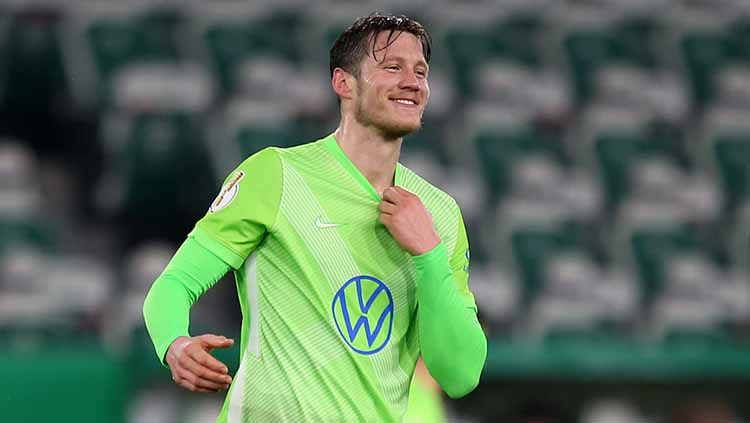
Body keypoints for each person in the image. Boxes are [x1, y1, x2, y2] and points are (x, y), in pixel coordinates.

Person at [143, 13, 487, 422]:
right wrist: (175, 344)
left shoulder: (440, 214)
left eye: (420, 72)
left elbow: (461, 374)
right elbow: (175, 283)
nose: (412, 81)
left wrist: (429, 254)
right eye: (392, 67)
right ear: (344, 83)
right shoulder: (276, 175)